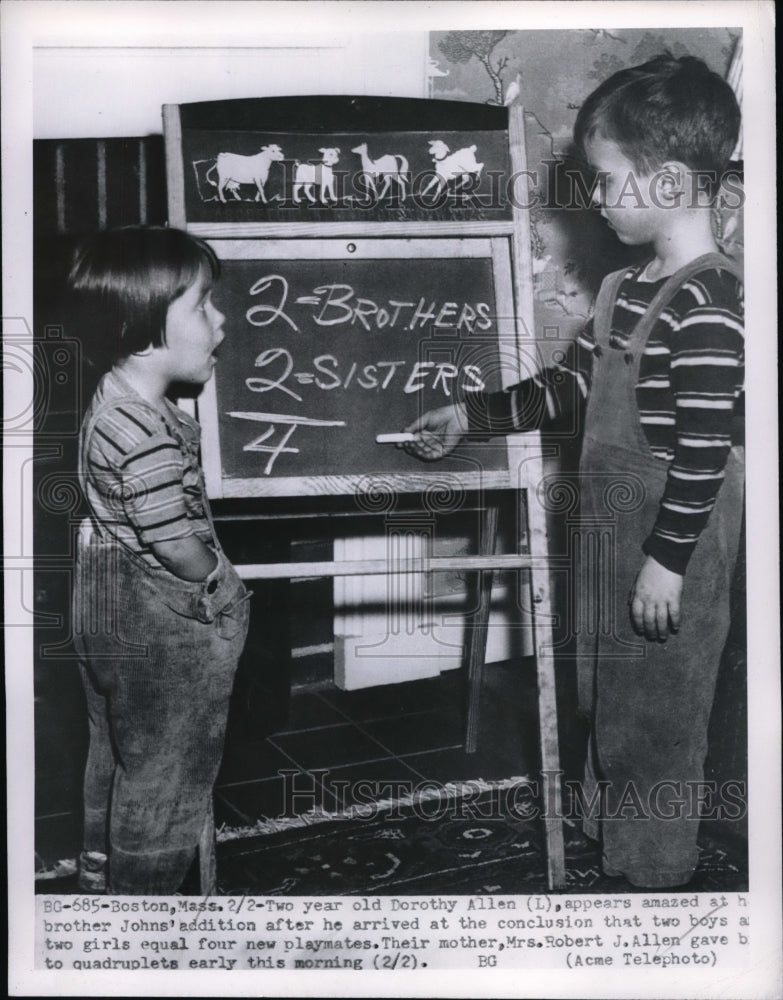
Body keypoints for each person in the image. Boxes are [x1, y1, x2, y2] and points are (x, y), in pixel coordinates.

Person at [404, 55, 744, 889]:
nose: (593, 198)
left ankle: (654, 874)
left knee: (657, 719)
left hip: (673, 544)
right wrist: (470, 414)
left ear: (665, 184)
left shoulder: (711, 305)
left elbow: (703, 450)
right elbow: (571, 385)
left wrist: (666, 561)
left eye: (604, 179)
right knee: (601, 692)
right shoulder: (623, 287)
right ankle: (611, 837)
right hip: (607, 531)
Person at [69, 226, 251, 894]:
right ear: (144, 323)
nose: (220, 319)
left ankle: (100, 872)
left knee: (116, 752)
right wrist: (217, 582)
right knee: (168, 772)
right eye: (203, 306)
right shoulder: (142, 431)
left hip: (102, 604)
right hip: (155, 624)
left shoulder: (117, 401)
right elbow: (172, 541)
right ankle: (141, 905)